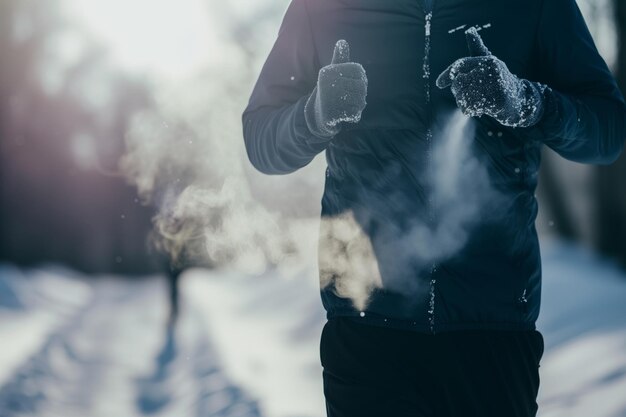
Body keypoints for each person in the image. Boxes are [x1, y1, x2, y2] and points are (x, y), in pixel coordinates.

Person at [242, 0, 626, 416]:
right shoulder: (323, 8)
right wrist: (315, 114)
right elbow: (261, 141)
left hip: (491, 332)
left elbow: (607, 131)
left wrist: (526, 101)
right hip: (365, 329)